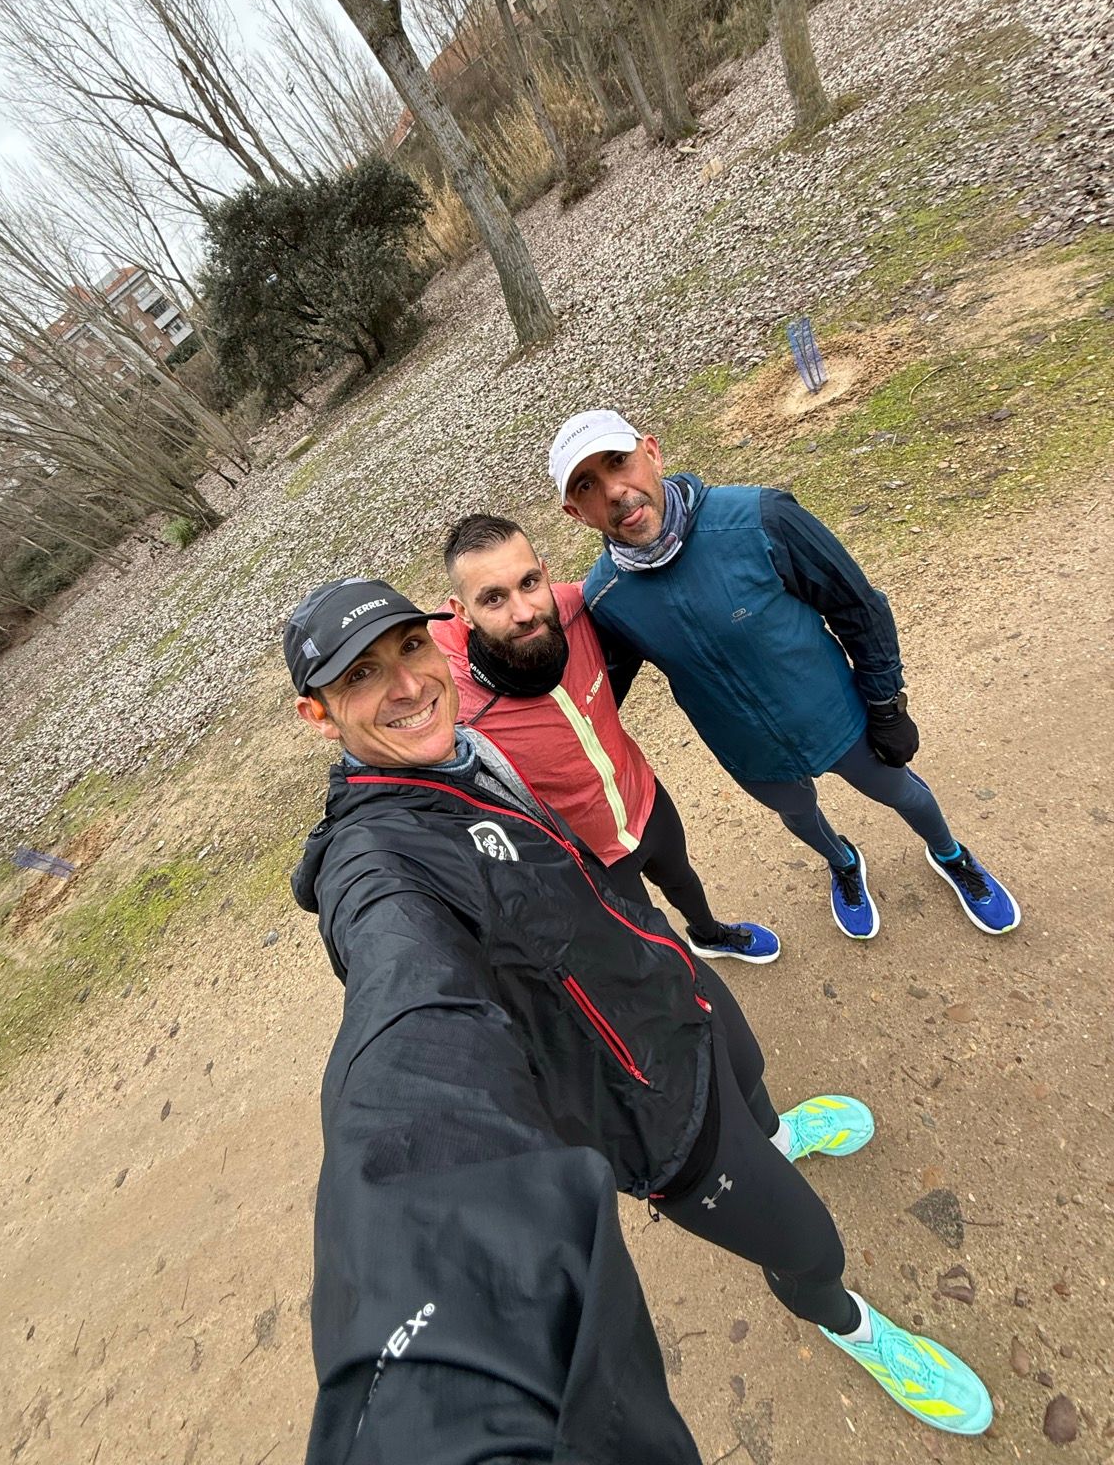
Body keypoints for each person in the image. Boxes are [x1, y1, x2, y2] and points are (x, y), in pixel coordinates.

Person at [286, 575, 993, 1462]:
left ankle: (776, 1136)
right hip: (651, 1111)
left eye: (410, 647)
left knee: (756, 1083)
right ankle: (848, 1323)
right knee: (811, 1245)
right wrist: (431, 1367)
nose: (406, 684)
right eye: (361, 676)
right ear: (318, 716)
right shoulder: (376, 864)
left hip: (673, 987)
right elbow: (409, 1026)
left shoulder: (461, 753)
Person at [548, 409, 1020, 941]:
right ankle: (843, 862)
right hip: (748, 750)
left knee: (902, 793)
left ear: (652, 453)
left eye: (619, 461)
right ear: (576, 512)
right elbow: (599, 693)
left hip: (838, 716)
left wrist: (887, 704)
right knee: (798, 815)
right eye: (587, 484)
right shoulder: (606, 598)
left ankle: (950, 854)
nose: (614, 490)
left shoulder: (760, 517)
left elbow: (858, 607)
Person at [428, 512, 778, 964]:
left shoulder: (578, 607)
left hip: (645, 799)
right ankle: (683, 981)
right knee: (645, 940)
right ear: (463, 612)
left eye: (529, 583)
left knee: (682, 880)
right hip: (588, 854)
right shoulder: (453, 702)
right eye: (493, 598)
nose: (524, 612)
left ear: (545, 574)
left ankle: (709, 935)